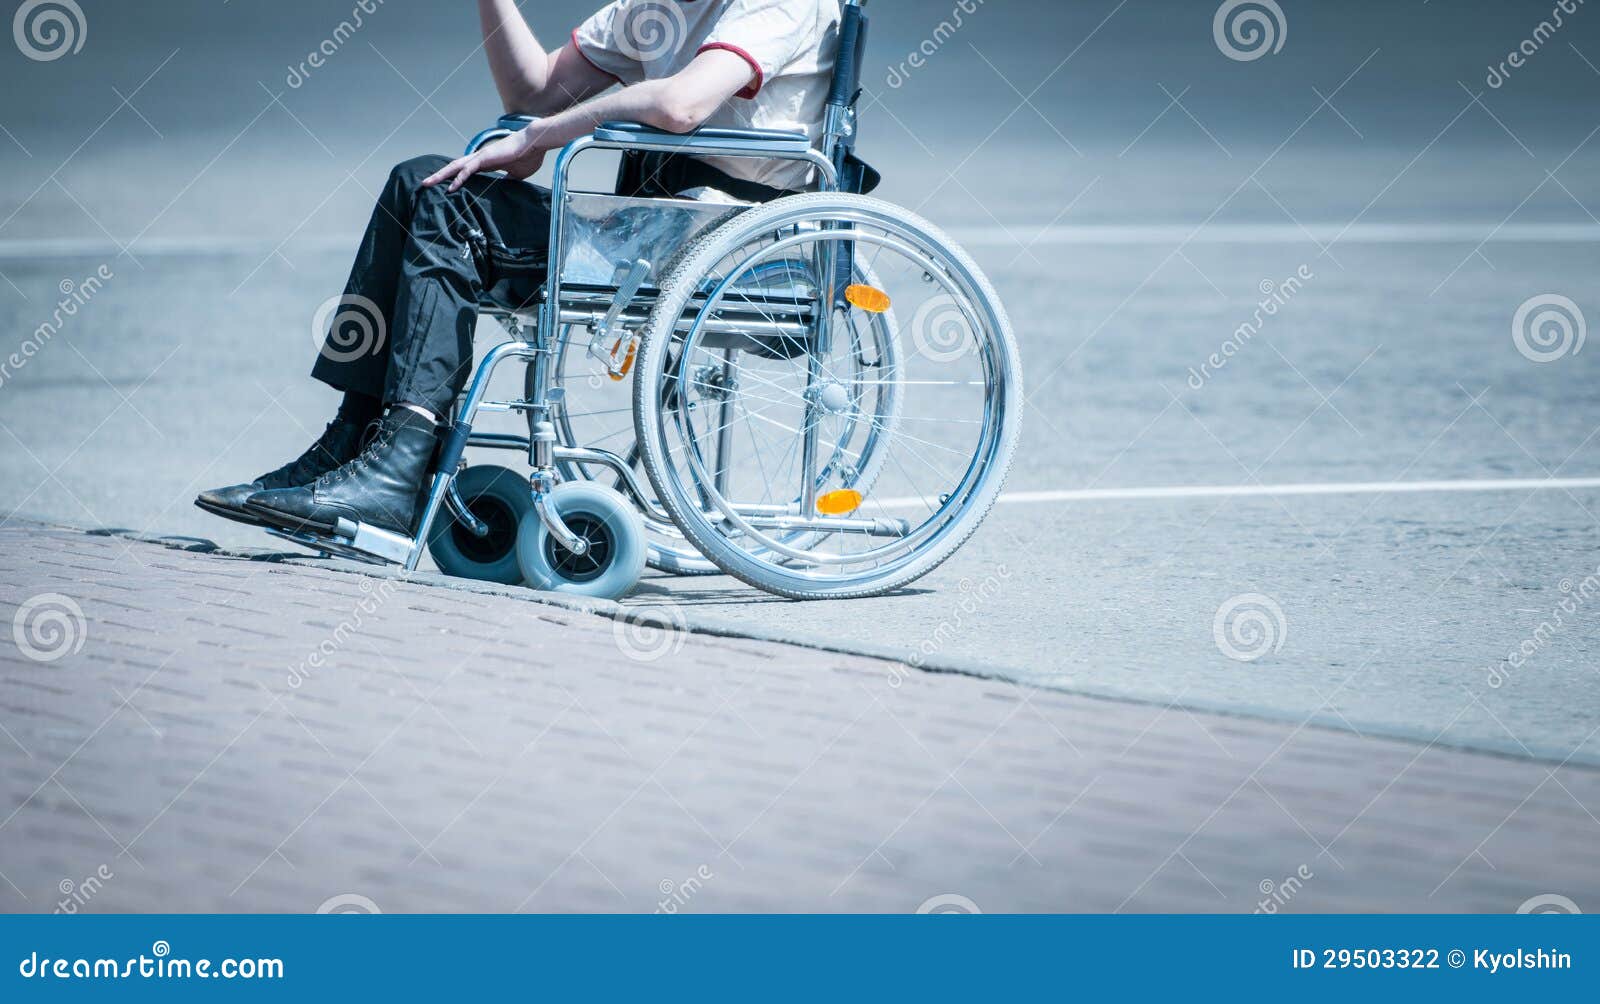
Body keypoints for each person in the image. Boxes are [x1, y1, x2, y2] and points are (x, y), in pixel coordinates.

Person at [196, 0, 840, 539]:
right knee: (419, 183)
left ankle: (397, 469)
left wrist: (539, 139)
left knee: (453, 216)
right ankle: (357, 443)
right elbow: (533, 92)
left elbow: (680, 105)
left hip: (728, 245)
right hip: (648, 229)